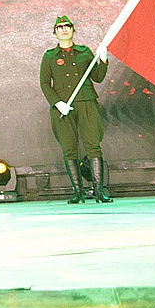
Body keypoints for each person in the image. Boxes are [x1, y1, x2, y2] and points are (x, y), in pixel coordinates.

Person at [40, 15, 111, 203]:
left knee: (93, 145)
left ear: (73, 29)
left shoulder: (84, 52)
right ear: (55, 32)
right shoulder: (49, 57)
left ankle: (98, 191)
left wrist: (103, 60)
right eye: (60, 27)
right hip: (63, 107)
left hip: (87, 102)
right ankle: (78, 193)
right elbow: (45, 83)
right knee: (69, 148)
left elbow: (98, 77)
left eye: (67, 26)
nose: (64, 29)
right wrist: (57, 103)